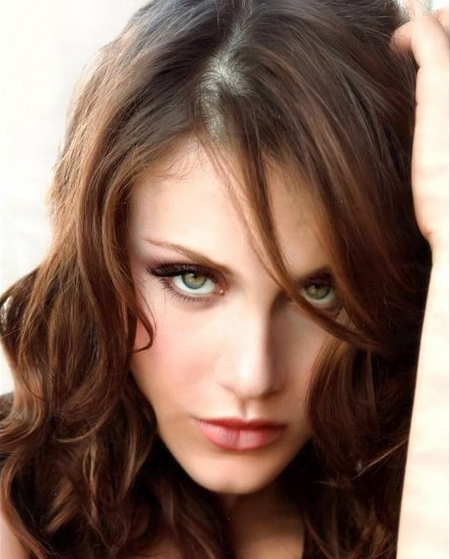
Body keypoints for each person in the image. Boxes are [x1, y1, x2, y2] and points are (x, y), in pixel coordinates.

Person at [0, 0, 448, 558]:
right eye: (191, 279)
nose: (252, 377)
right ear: (101, 257)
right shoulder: (17, 507)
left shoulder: (410, 491)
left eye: (320, 292)